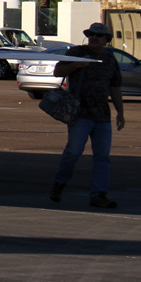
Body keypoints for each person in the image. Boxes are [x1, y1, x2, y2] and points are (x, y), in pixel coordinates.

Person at [49, 22, 126, 208]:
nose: (94, 37)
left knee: (102, 157)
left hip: (102, 116)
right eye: (91, 34)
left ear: (106, 40)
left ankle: (99, 195)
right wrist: (76, 65)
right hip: (80, 114)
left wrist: (120, 113)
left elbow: (115, 88)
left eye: (99, 35)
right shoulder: (76, 52)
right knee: (73, 152)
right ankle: (60, 182)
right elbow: (57, 72)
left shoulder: (109, 60)